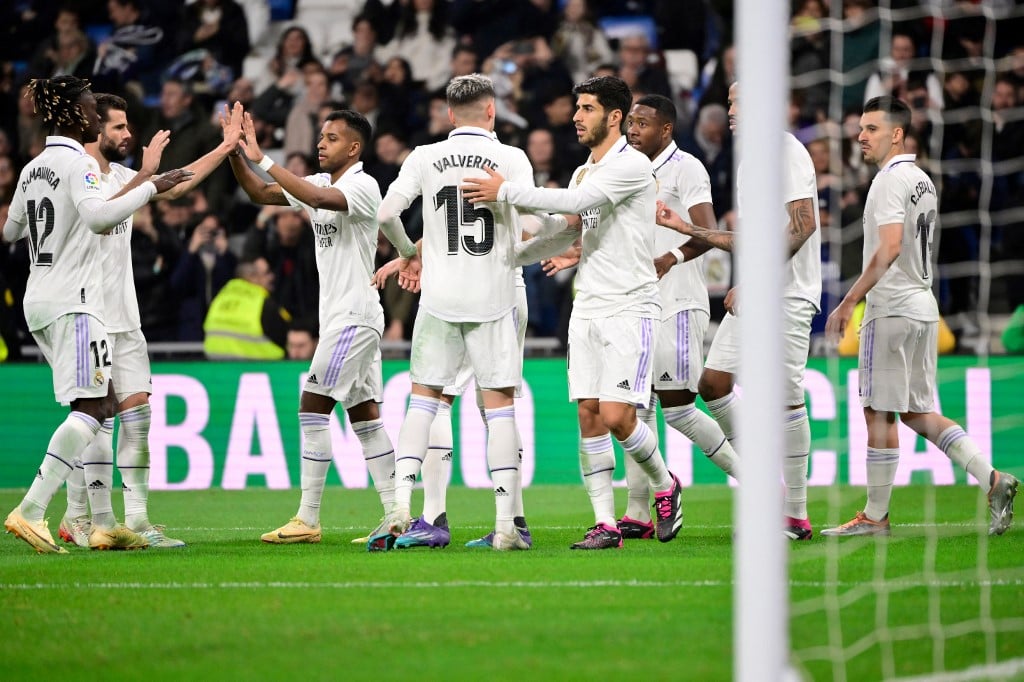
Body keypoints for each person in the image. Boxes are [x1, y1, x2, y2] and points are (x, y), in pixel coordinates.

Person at [462, 76, 684, 550]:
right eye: (576, 108)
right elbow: (570, 224)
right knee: (589, 414)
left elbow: (576, 202)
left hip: (630, 306)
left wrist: (506, 192)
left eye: (586, 108)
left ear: (614, 117)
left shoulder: (632, 167)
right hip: (588, 307)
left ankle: (666, 486)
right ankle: (605, 523)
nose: (577, 116)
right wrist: (513, 256)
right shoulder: (587, 170)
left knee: (619, 416)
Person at [1, 75, 191, 554]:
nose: (93, 114)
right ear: (74, 114)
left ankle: (104, 523)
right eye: (88, 107)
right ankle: (32, 509)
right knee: (93, 408)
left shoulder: (32, 168)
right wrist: (148, 187)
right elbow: (98, 216)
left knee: (100, 401)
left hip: (38, 299)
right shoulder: (79, 164)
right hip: (76, 299)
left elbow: (10, 231)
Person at [822, 96, 1018, 537]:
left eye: (871, 128)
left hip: (890, 309)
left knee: (878, 412)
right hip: (924, 308)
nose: (860, 137)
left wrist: (850, 299)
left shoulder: (888, 181)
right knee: (916, 412)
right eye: (860, 127)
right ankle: (993, 478)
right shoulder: (922, 180)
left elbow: (890, 246)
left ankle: (874, 516)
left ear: (896, 133)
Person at [55, 94, 243, 550]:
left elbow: (177, 185)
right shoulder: (74, 177)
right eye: (117, 127)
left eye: (126, 127)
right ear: (93, 127)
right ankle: (83, 518)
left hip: (124, 317)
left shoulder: (122, 174)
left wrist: (226, 146)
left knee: (137, 418)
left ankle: (136, 521)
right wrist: (144, 177)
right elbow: (97, 217)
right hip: (86, 314)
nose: (127, 135)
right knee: (94, 420)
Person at [372, 74, 540, 552]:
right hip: (498, 296)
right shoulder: (511, 158)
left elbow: (387, 215)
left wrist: (410, 252)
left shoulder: (424, 157)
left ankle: (406, 506)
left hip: (441, 300)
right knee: (499, 409)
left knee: (425, 401)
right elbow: (530, 224)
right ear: (492, 111)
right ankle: (509, 524)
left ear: (449, 114)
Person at [654, 81, 821, 541]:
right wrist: (686, 229)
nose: (729, 110)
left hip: (788, 294)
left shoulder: (784, 151)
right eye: (728, 102)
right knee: (713, 383)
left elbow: (802, 227)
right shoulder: (750, 163)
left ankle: (795, 514)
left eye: (737, 102)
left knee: (787, 397)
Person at [227, 107, 398, 545]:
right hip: (349, 318)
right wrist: (234, 153)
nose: (321, 144)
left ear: (354, 148)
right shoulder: (320, 183)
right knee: (365, 418)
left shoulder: (362, 185)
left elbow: (319, 202)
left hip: (353, 318)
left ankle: (308, 518)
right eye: (321, 136)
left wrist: (263, 157)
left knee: (312, 407)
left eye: (332, 138)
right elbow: (261, 196)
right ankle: (397, 515)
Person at [203, 257, 291, 360]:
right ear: (252, 278)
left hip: (214, 366)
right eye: (266, 273)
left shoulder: (218, 299)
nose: (272, 277)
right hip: (259, 368)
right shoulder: (263, 303)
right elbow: (286, 334)